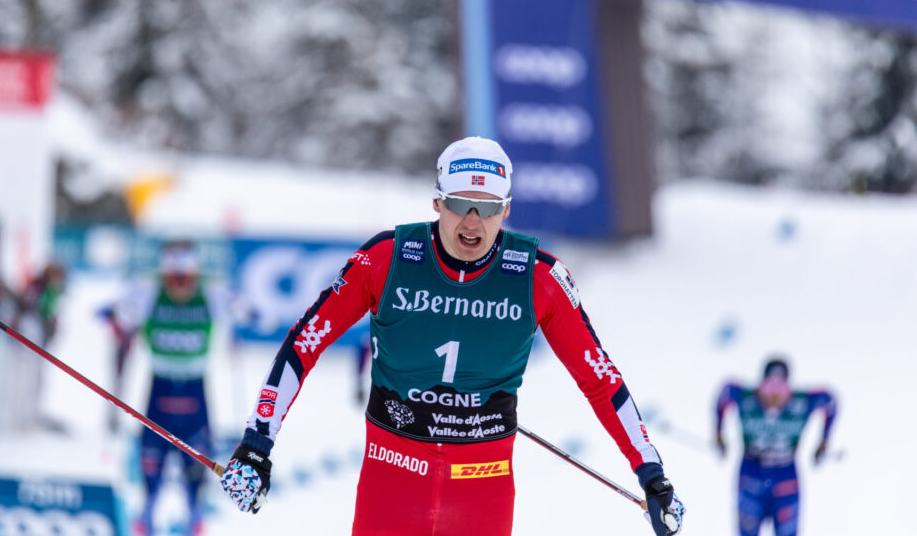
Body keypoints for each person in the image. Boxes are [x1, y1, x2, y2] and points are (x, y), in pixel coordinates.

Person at [219, 136, 685, 535]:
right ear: (437, 202)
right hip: (392, 480)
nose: (472, 222)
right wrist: (257, 443)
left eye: (487, 209)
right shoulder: (387, 258)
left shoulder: (538, 278)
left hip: (481, 489)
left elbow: (600, 378)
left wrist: (652, 473)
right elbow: (305, 342)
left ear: (506, 210)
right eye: (460, 205)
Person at [110, 240, 234, 536]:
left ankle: (194, 516)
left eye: (185, 279)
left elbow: (247, 310)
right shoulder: (149, 291)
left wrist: (244, 314)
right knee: (152, 457)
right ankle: (147, 515)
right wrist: (118, 319)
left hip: (195, 387)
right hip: (160, 385)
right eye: (174, 279)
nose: (179, 286)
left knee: (197, 458)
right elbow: (114, 312)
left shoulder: (210, 293)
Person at [715, 357, 837, 536]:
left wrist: (824, 442)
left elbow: (830, 401)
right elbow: (724, 393)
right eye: (769, 389)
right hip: (751, 472)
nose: (774, 396)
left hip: (786, 474)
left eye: (780, 390)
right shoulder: (745, 397)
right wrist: (718, 433)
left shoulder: (802, 402)